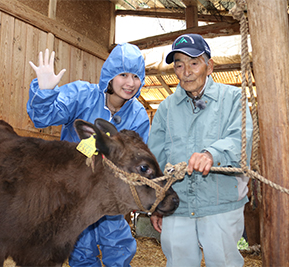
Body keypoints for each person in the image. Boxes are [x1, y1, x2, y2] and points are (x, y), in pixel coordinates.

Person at [27, 43, 150, 267]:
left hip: (112, 195)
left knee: (118, 243)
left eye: (135, 76)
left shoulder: (139, 115)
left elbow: (138, 160)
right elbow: (42, 119)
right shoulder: (82, 95)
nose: (130, 83)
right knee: (80, 248)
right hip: (77, 193)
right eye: (123, 74)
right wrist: (44, 92)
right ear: (110, 75)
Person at [147, 34, 253, 267]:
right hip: (178, 205)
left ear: (209, 66)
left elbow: (241, 140)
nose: (186, 71)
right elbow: (157, 159)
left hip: (220, 204)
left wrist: (212, 154)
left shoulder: (233, 99)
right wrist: (155, 204)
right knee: (178, 262)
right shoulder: (165, 109)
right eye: (179, 64)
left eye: (194, 62)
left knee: (223, 262)